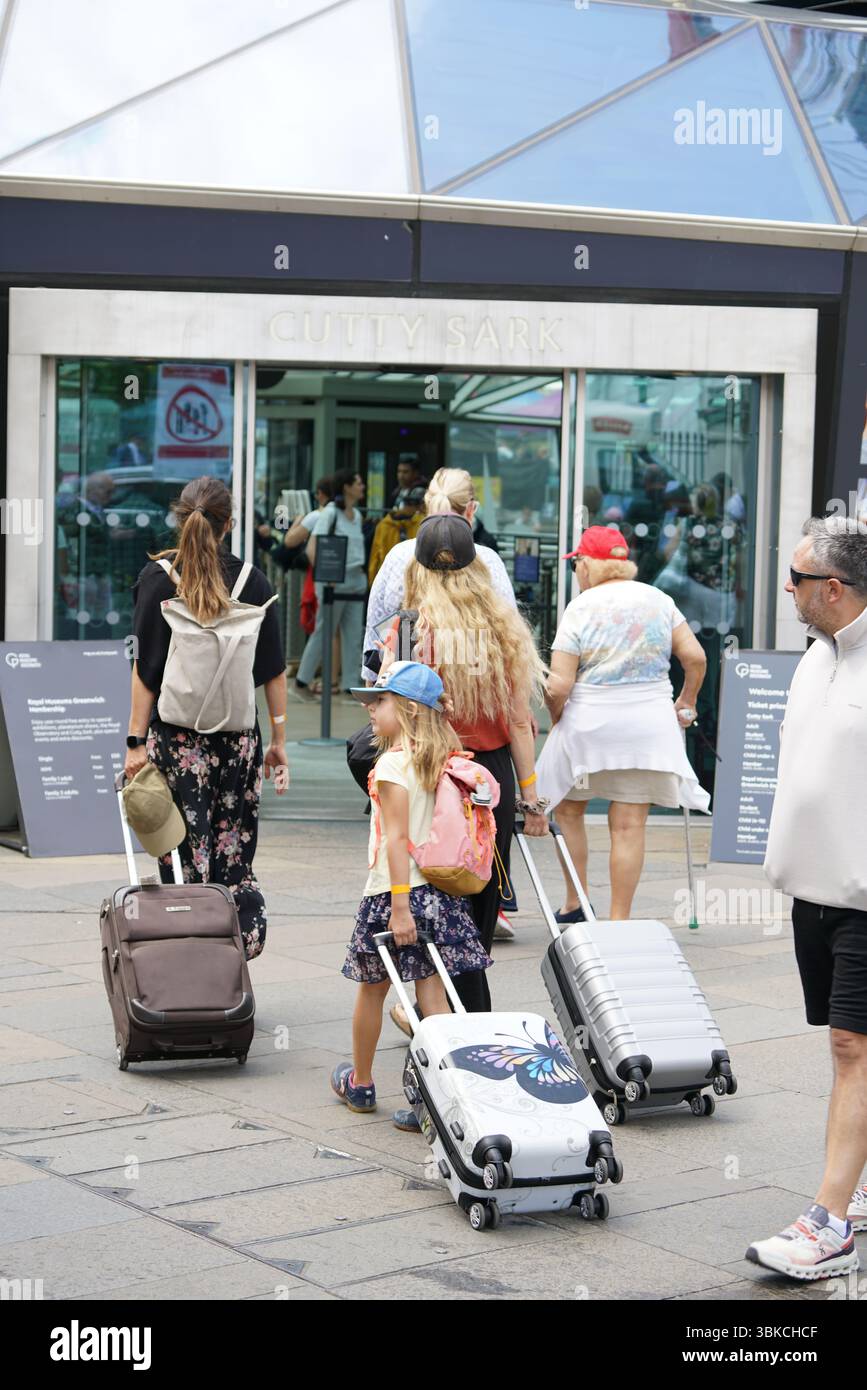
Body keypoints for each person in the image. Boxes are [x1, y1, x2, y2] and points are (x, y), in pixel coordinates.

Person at [747, 516, 867, 1280]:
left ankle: (827, 1221)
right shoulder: (812, 659)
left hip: (865, 896)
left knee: (851, 1047)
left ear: (831, 588)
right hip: (811, 891)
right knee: (851, 1048)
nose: (784, 588)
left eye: (794, 578)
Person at [125, 476, 288, 960]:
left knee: (178, 848)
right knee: (231, 853)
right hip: (238, 743)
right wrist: (279, 739)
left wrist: (135, 741)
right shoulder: (252, 582)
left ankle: (185, 961)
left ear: (180, 518)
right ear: (230, 524)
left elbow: (146, 670)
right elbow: (273, 670)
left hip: (176, 744)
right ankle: (231, 954)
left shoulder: (157, 578)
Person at [401, 511, 548, 1017]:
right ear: (477, 567)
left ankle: (436, 1014)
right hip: (490, 781)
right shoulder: (504, 632)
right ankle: (473, 1015)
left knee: (429, 903)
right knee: (478, 906)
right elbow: (520, 724)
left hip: (430, 776)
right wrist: (531, 798)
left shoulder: (408, 631)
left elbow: (394, 715)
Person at [330, 661, 492, 1115]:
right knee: (432, 995)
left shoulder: (392, 765)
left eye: (380, 702)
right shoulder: (449, 763)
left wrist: (399, 908)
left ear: (410, 710)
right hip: (439, 894)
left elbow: (397, 839)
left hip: (392, 893)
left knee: (372, 990)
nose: (370, 710)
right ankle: (437, 1102)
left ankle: (361, 1083)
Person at [537, 525, 709, 922]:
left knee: (567, 808)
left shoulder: (581, 606)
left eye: (576, 562)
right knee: (629, 824)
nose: (576, 570)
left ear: (586, 565)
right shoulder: (659, 600)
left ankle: (576, 902)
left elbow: (559, 684)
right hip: (648, 729)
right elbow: (696, 658)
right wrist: (687, 700)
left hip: (589, 732)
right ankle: (619, 920)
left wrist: (557, 717)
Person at [363, 467, 514, 683]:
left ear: (427, 504)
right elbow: (509, 641)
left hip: (407, 694)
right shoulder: (487, 561)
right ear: (471, 510)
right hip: (473, 692)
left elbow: (375, 635)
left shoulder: (399, 557)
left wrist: (372, 689)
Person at [295, 469, 367, 696]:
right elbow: (313, 547)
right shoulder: (330, 513)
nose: (362, 486)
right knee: (324, 630)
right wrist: (325, 576)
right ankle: (302, 680)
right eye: (358, 482)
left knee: (354, 634)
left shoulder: (357, 515)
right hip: (333, 580)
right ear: (346, 487)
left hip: (356, 579)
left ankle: (349, 683)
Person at [367, 483, 426, 585]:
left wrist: (373, 584)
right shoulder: (424, 525)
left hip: (388, 580)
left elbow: (374, 558)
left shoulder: (384, 525)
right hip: (416, 581)